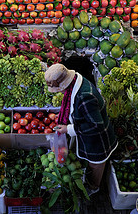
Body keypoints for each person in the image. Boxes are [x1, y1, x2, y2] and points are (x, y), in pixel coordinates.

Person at [45, 63, 118, 196]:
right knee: (91, 164)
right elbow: (78, 110)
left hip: (98, 139)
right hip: (90, 135)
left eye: (59, 89)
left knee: (96, 165)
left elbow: (96, 125)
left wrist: (68, 128)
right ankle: (89, 181)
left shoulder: (85, 96)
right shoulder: (76, 81)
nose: (60, 92)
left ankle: (93, 187)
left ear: (65, 84)